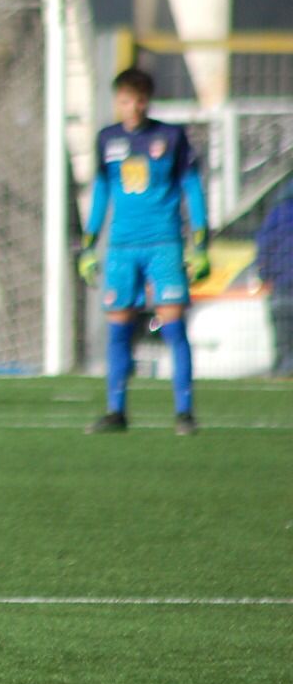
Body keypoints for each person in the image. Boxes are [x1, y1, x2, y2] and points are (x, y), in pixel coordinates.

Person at [77, 67, 209, 436]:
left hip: (164, 245)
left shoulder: (170, 137)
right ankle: (115, 411)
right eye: (124, 100)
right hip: (121, 248)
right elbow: (101, 193)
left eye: (138, 100)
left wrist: (200, 244)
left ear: (147, 101)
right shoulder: (107, 139)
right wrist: (88, 246)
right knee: (118, 329)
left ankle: (184, 413)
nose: (131, 107)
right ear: (116, 101)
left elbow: (193, 190)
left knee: (173, 326)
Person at [257, 187, 293, 377]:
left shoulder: (276, 214)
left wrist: (265, 274)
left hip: (282, 284)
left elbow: (264, 246)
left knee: (283, 339)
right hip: (284, 280)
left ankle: (282, 371)